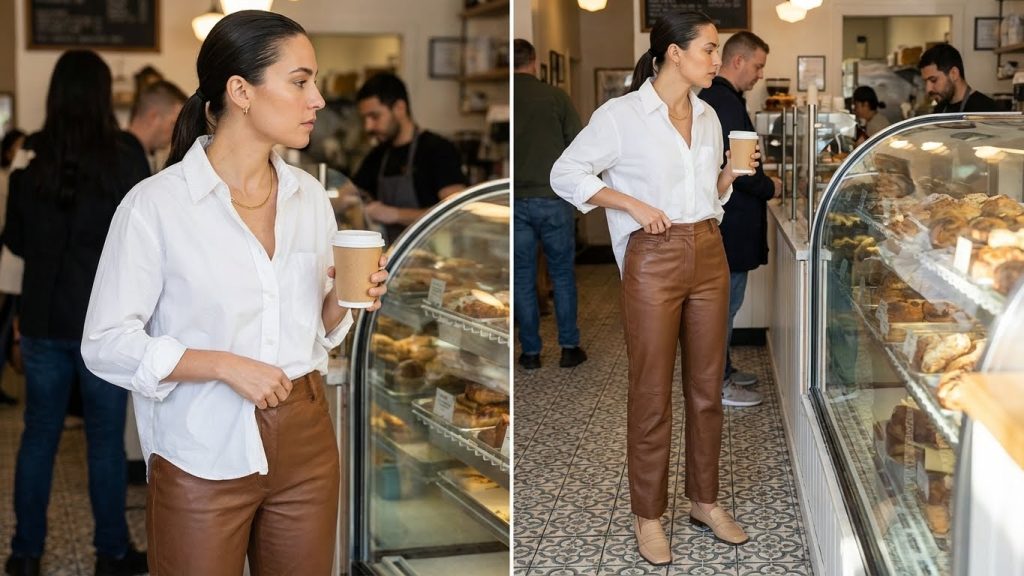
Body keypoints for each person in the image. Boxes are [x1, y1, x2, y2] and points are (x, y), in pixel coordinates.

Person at [80, 11, 388, 575]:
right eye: (300, 82)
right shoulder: (156, 205)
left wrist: (349, 295)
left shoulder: (310, 198)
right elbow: (104, 342)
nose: (316, 98)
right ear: (241, 91)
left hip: (306, 434)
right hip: (202, 443)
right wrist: (223, 364)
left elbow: (315, 328)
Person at [551, 11, 754, 566]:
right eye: (709, 50)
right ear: (674, 53)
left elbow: (708, 195)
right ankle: (648, 516)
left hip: (709, 249)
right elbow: (565, 174)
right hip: (653, 258)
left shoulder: (710, 117)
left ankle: (705, 502)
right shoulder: (621, 116)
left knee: (708, 389)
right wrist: (632, 204)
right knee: (650, 393)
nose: (717, 60)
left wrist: (733, 176)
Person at [3, 50, 151, 576]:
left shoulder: (27, 156)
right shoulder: (126, 153)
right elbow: (144, 237)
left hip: (43, 318)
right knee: (106, 440)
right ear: (104, 95)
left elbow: (15, 239)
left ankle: (25, 554)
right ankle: (111, 552)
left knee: (39, 433)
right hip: (103, 321)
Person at [699, 31, 781, 409]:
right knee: (723, 311)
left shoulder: (723, 99)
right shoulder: (723, 101)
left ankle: (725, 371)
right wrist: (772, 187)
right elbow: (741, 167)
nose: (760, 74)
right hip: (728, 227)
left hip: (730, 224)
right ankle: (718, 383)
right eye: (758, 65)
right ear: (738, 61)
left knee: (726, 308)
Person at [513, 39, 586, 371]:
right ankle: (569, 348)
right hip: (554, 198)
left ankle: (530, 353)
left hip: (514, 201)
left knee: (523, 277)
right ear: (534, 61)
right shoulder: (556, 97)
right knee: (561, 274)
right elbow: (578, 145)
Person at [350, 73, 467, 242]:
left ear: (399, 108)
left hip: (434, 258)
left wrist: (395, 214)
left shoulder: (438, 149)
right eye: (365, 119)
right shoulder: (379, 154)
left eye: (375, 117)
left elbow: (456, 211)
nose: (368, 127)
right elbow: (350, 192)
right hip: (391, 256)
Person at [0, 128, 26, 406]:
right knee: (7, 323)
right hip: (12, 264)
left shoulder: (13, 179)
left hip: (17, 267)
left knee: (8, 323)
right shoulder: (7, 180)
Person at [126, 79, 187, 173]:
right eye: (173, 124)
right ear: (153, 117)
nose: (176, 134)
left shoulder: (138, 154)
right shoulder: (127, 160)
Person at [918, 43, 997, 113]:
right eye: (925, 82)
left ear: (954, 74)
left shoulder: (986, 110)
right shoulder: (939, 110)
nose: (928, 89)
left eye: (933, 80)